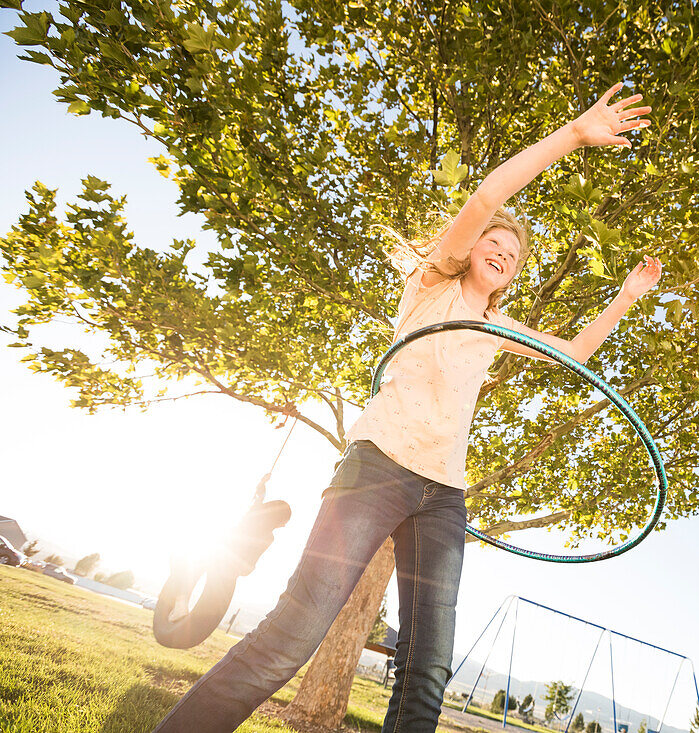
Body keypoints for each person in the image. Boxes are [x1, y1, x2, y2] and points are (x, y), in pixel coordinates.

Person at [152, 80, 660, 733]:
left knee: (428, 670)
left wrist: (626, 295)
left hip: (444, 494)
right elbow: (487, 197)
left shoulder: (495, 328)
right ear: (470, 249)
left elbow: (577, 353)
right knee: (291, 635)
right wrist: (572, 136)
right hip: (378, 467)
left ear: (514, 273)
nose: (502, 250)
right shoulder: (431, 287)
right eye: (493, 243)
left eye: (513, 253)